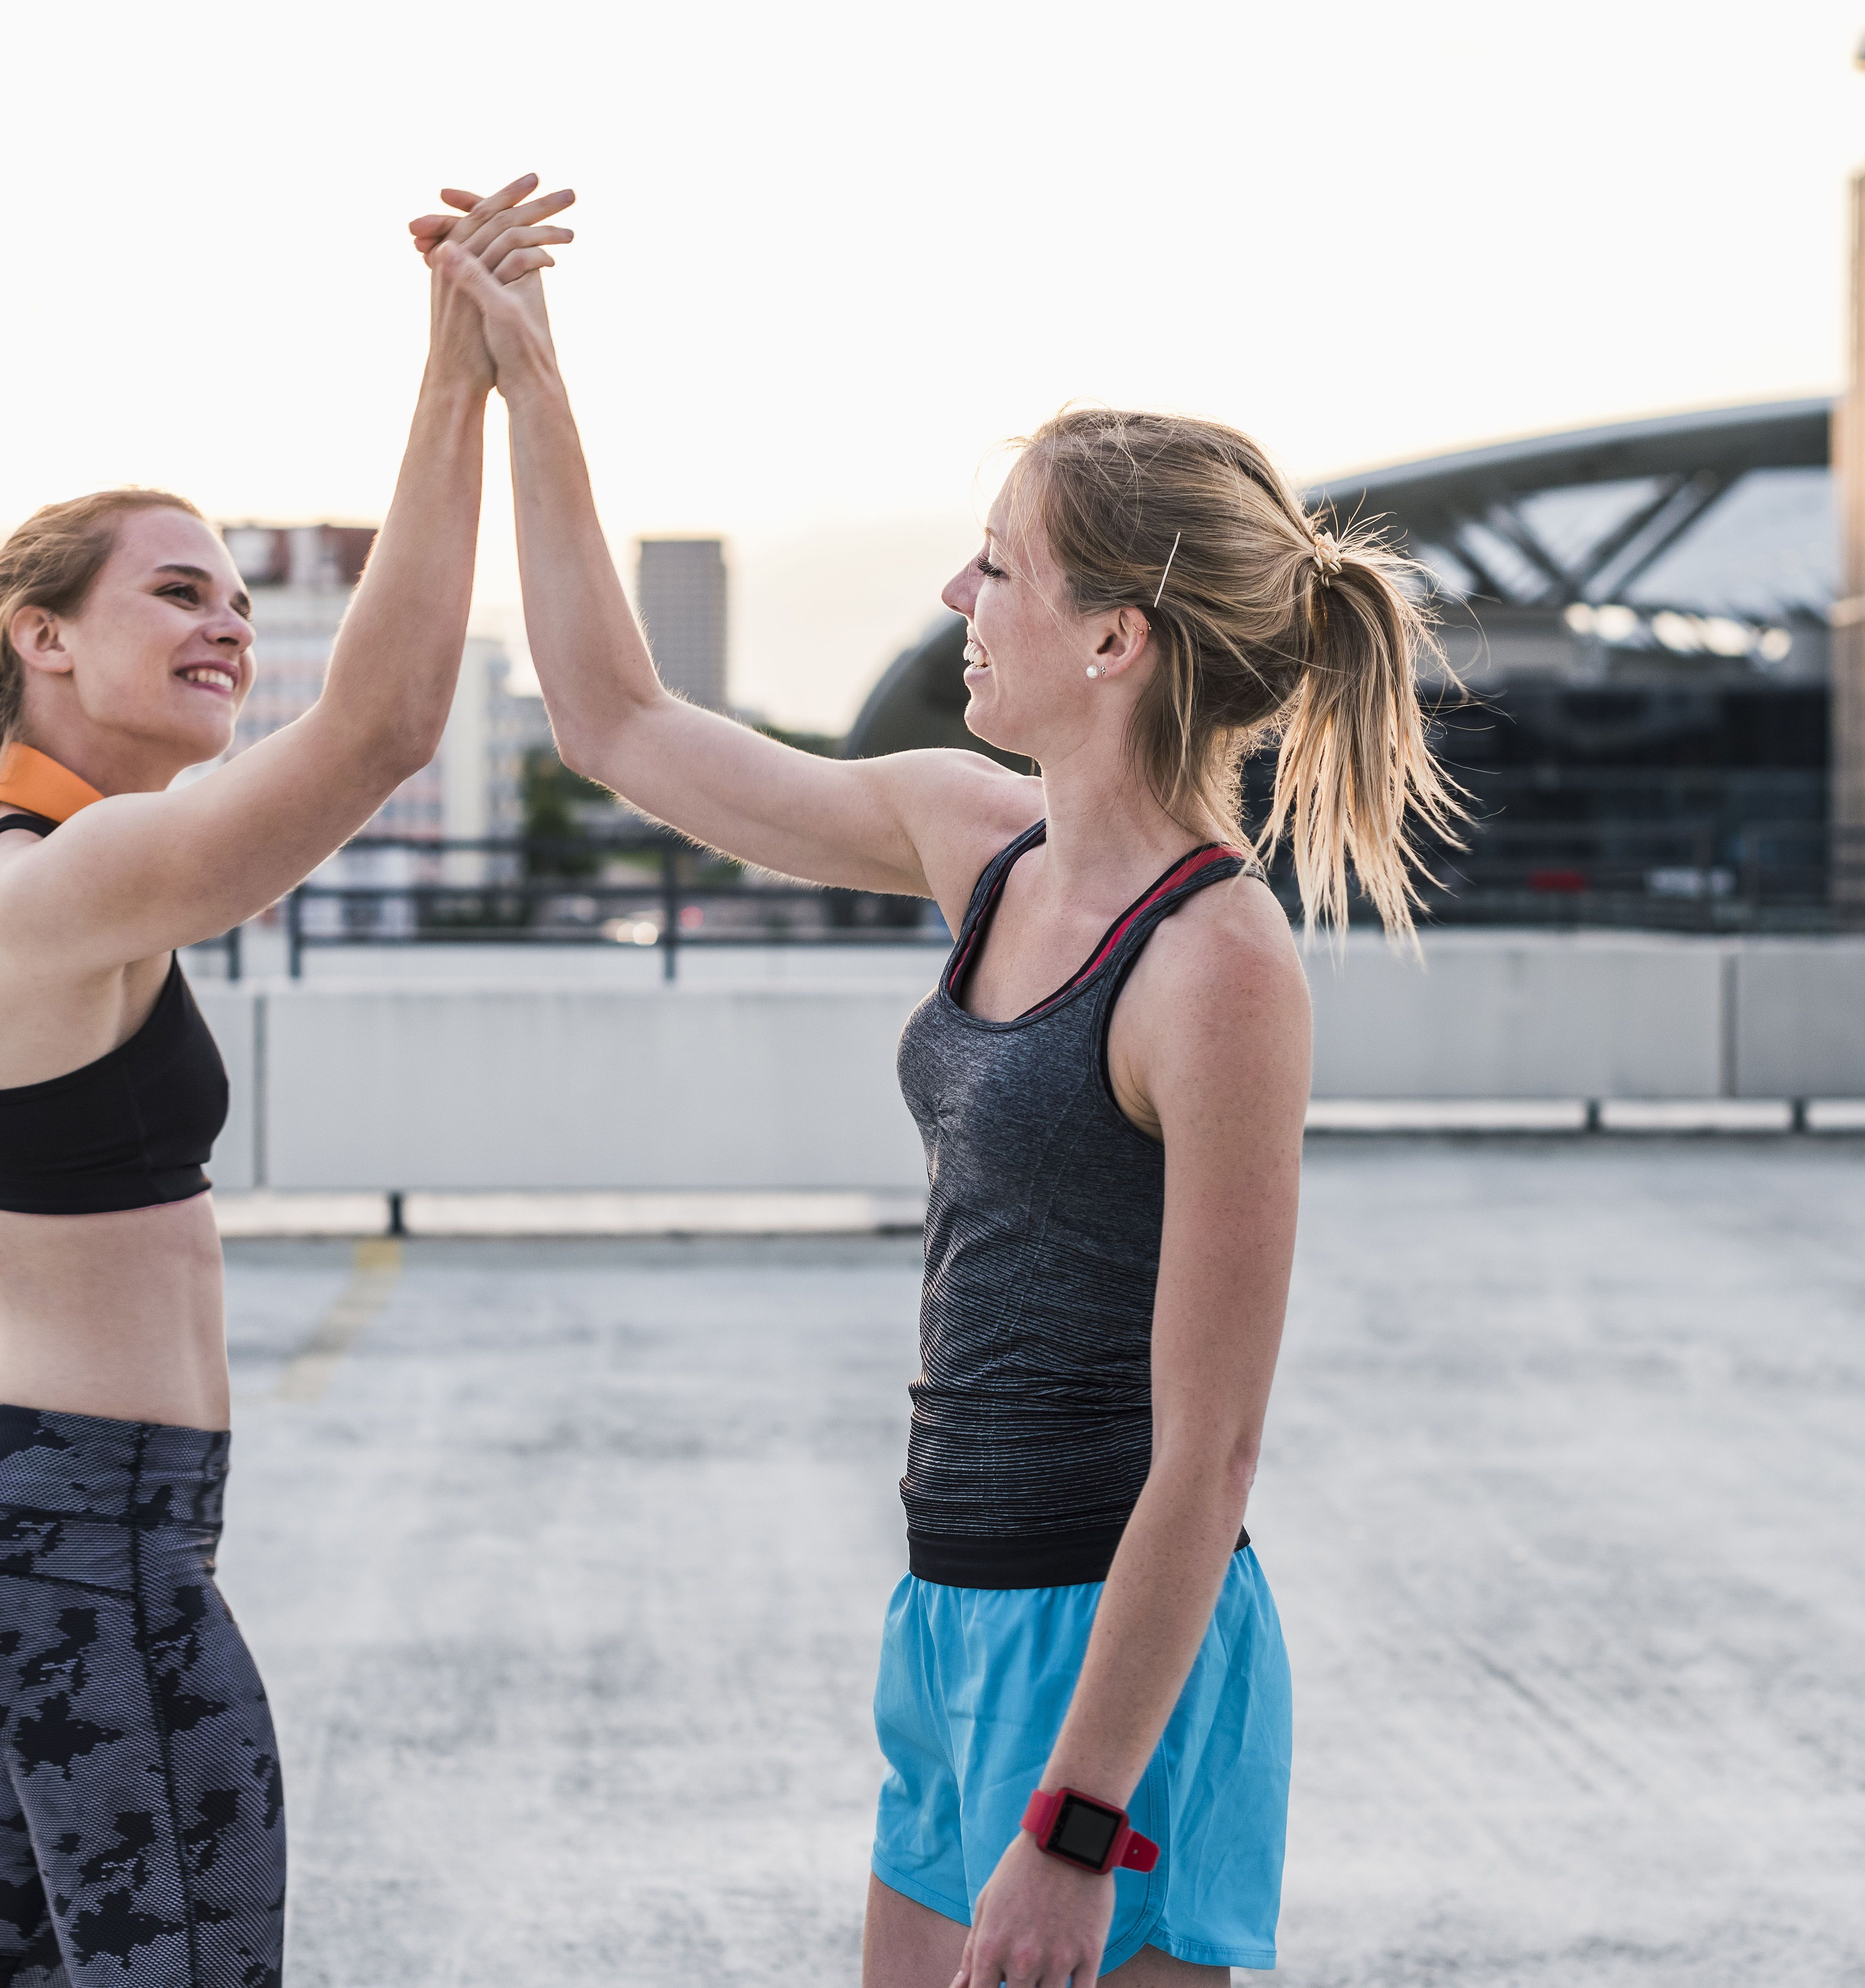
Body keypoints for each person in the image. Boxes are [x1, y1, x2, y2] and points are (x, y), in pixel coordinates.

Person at [415, 189, 1462, 1986]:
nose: (959, 597)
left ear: (1118, 636)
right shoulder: (974, 835)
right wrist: (529, 379)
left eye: (1000, 567)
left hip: (1117, 1660)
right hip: (947, 1603)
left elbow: (1206, 1455)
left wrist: (1074, 1821)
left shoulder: (1214, 969)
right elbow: (615, 724)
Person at [0, 173, 575, 1988]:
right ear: (41, 637)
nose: (226, 626)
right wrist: (457, 376)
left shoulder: (49, 875)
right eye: (177, 593)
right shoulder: (46, 885)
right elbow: (384, 726)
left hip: (60, 1532)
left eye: (236, 598)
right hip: (86, 1545)